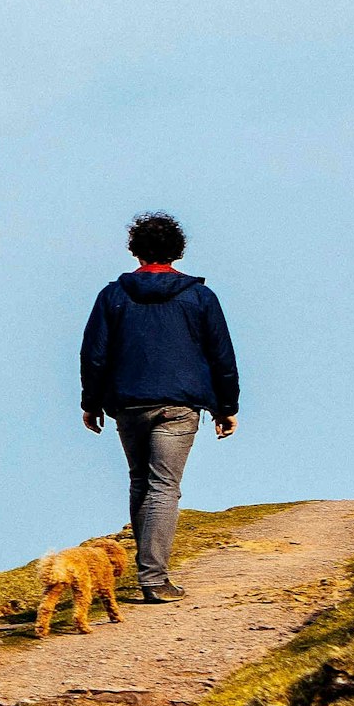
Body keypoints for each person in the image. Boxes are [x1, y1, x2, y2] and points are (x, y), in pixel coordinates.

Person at [81, 211, 240, 602]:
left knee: (141, 482)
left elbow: (94, 355)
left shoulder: (113, 296)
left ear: (135, 251)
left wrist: (91, 402)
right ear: (177, 252)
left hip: (129, 404)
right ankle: (154, 579)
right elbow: (221, 354)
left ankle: (148, 573)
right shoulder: (200, 297)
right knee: (163, 486)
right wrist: (227, 405)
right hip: (180, 405)